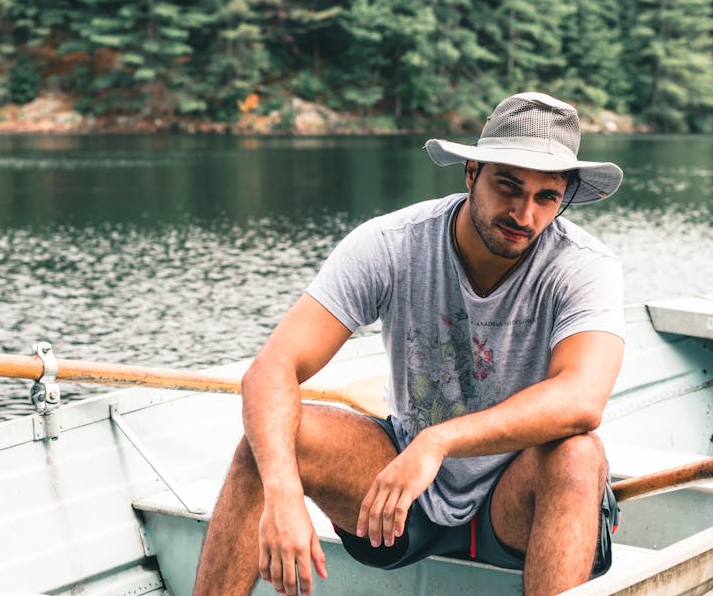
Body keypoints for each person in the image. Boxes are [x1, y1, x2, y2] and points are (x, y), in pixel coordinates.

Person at [194, 92, 626, 596]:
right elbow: (272, 368)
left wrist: (438, 441)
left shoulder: (583, 266)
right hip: (398, 499)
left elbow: (581, 399)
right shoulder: (392, 244)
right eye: (508, 186)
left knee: (577, 455)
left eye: (546, 197)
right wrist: (283, 493)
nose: (524, 214)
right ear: (471, 172)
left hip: (515, 504)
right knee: (266, 447)